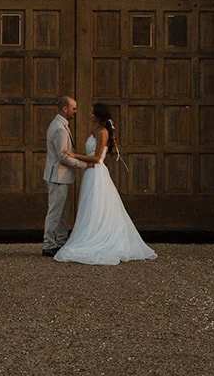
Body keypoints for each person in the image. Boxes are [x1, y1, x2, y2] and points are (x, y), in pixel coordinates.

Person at [54, 102, 157, 265]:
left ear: (97, 114)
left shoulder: (102, 132)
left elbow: (96, 159)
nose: (89, 114)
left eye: (92, 112)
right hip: (89, 174)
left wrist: (74, 155)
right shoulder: (94, 131)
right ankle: (89, 232)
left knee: (97, 205)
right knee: (89, 206)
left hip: (97, 173)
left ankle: (99, 237)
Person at [42, 96, 86, 256]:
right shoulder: (59, 128)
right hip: (57, 178)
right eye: (74, 108)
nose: (75, 111)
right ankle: (48, 245)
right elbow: (62, 156)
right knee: (55, 212)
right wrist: (83, 165)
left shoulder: (60, 125)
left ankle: (60, 242)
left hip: (61, 177)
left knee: (62, 213)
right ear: (65, 109)